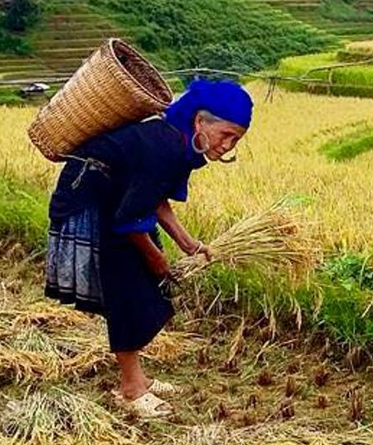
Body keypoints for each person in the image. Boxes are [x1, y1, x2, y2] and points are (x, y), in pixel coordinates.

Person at [45, 78, 253, 418]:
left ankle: (137, 377)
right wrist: (157, 259)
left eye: (236, 140)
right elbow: (129, 217)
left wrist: (188, 243)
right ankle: (131, 389)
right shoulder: (165, 147)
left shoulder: (179, 141)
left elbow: (155, 198)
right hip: (89, 200)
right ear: (199, 121)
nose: (228, 145)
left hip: (117, 202)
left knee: (146, 287)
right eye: (226, 134)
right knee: (129, 289)